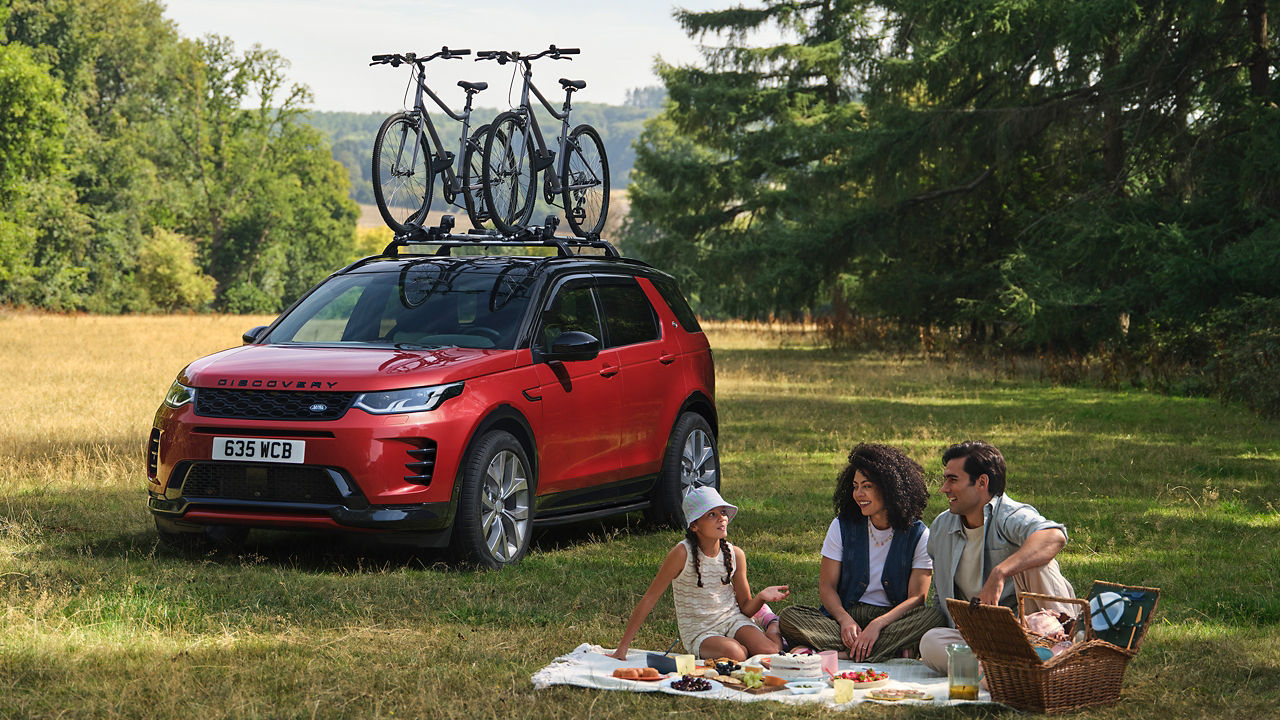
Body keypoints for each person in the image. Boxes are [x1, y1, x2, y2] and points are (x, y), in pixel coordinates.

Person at [919, 441, 1077, 674]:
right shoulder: (942, 527)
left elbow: (1054, 536)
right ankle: (1014, 670)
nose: (944, 488)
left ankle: (1064, 652)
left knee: (1037, 559)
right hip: (986, 636)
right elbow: (940, 598)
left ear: (982, 482)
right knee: (930, 642)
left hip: (1035, 626)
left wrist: (1000, 572)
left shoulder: (1010, 515)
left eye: (953, 480)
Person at [777, 444, 946, 662]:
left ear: (889, 488)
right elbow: (826, 586)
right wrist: (844, 620)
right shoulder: (841, 526)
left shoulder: (919, 534)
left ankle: (846, 653)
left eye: (867, 486)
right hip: (847, 616)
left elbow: (917, 598)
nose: (858, 494)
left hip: (891, 620)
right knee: (790, 617)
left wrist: (878, 624)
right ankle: (888, 651)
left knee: (934, 617)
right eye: (855, 486)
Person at [609, 487, 790, 661]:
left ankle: (771, 623)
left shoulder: (736, 554)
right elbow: (649, 598)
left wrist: (761, 597)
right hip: (700, 631)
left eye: (723, 512)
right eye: (712, 514)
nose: (722, 518)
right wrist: (622, 648)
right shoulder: (681, 554)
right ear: (694, 525)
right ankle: (739, 646)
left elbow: (745, 608)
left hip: (733, 619)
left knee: (770, 651)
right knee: (737, 654)